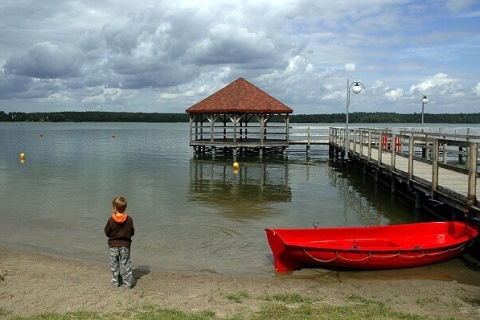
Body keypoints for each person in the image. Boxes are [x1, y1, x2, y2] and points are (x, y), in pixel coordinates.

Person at [104, 196, 135, 288]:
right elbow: (132, 231)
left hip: (113, 245)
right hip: (125, 245)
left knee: (114, 264)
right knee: (125, 264)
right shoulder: (129, 219)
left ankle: (115, 282)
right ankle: (128, 283)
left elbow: (106, 232)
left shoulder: (111, 220)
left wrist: (112, 236)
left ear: (115, 208)